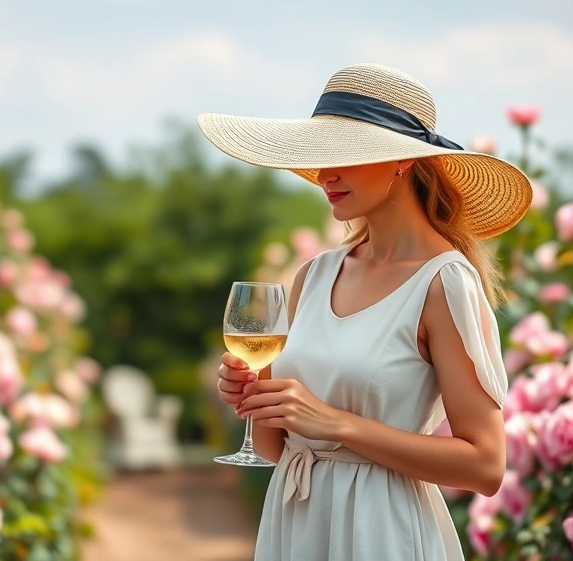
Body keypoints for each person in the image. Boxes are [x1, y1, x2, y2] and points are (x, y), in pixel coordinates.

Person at [199, 63, 532, 560]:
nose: (324, 175)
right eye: (320, 157)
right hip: (296, 523)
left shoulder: (443, 283)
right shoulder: (314, 275)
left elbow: (485, 466)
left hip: (381, 532)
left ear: (402, 160)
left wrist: (337, 423)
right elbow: (277, 449)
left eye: (344, 156)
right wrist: (254, 398)